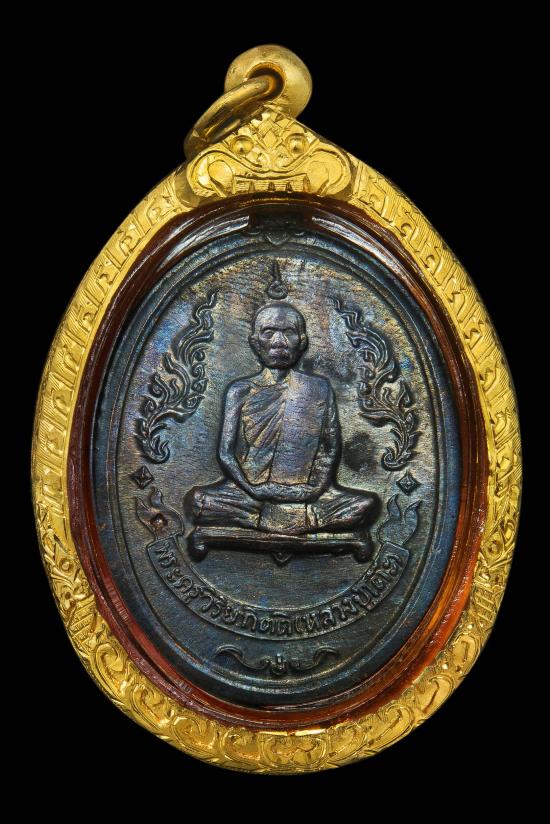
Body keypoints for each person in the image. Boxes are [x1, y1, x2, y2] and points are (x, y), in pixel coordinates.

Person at [185, 302, 380, 538]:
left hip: (306, 493)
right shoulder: (240, 391)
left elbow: (330, 449)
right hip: (250, 492)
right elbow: (226, 454)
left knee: (366, 505)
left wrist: (313, 490)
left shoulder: (318, 388)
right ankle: (300, 521)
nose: (279, 342)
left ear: (302, 341)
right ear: (255, 342)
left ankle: (267, 519)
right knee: (198, 501)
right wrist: (254, 489)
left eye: (288, 332)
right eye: (269, 332)